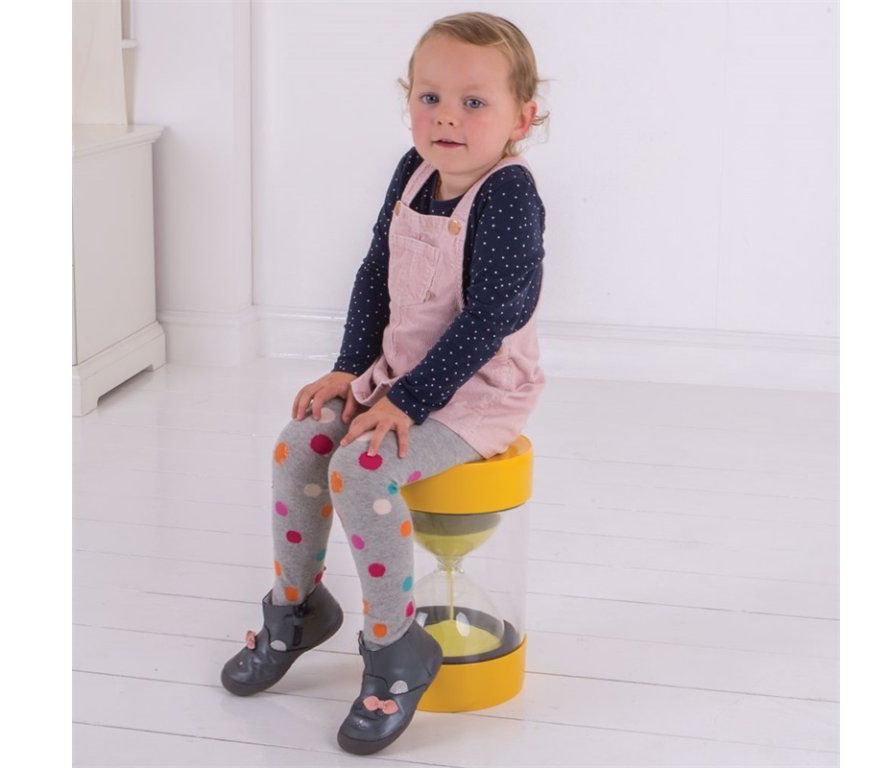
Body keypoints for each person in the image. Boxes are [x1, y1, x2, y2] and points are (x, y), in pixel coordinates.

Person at [221, 11, 549, 756]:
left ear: (522, 118)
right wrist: (351, 367)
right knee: (301, 443)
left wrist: (408, 401)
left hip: (477, 393)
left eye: (474, 102)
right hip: (400, 376)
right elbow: (378, 270)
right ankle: (297, 605)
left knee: (363, 469)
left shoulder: (507, 196)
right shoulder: (413, 171)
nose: (447, 117)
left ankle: (394, 643)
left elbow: (491, 317)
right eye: (430, 97)